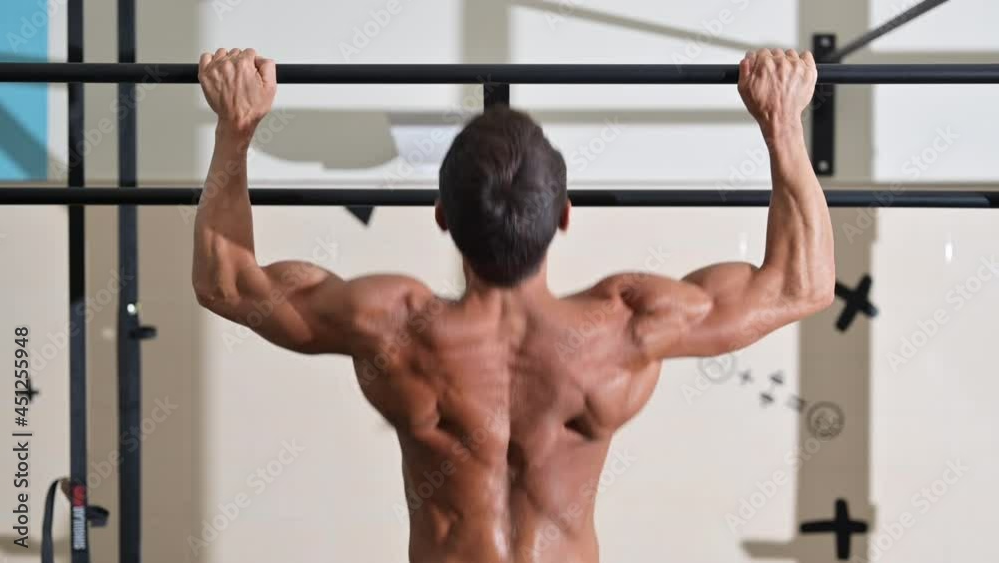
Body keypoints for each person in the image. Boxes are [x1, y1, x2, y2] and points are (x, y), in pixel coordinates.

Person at [192, 47, 834, 563]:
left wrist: (237, 128)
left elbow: (227, 281)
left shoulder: (391, 325)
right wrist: (780, 124)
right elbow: (798, 283)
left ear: (442, 217)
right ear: (563, 216)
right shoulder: (626, 326)